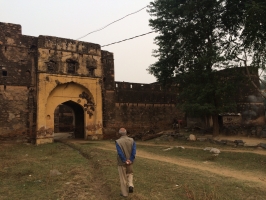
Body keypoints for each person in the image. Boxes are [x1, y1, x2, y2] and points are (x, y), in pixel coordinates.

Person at [115, 128, 136, 197]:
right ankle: (130, 185)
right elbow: (134, 151)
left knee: (123, 177)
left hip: (121, 162)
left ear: (119, 133)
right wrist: (131, 159)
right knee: (130, 173)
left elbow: (120, 152)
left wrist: (124, 160)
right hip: (130, 162)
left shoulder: (118, 141)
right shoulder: (132, 140)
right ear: (126, 133)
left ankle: (124, 193)